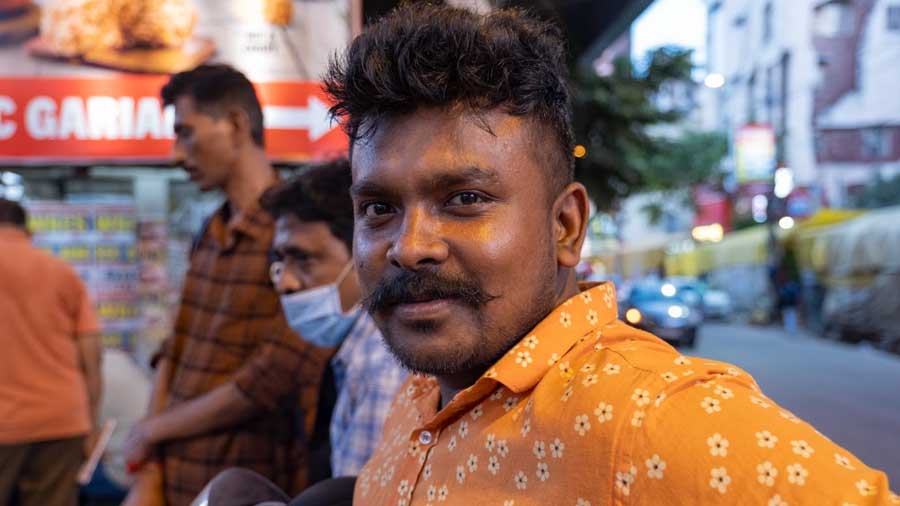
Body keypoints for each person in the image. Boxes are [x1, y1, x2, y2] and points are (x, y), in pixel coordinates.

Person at [322, 4, 898, 505]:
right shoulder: (426, 387)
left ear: (566, 226)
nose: (409, 246)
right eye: (378, 208)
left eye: (465, 199)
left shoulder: (652, 418)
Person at [122, 64, 331, 506]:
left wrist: (155, 429)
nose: (177, 154)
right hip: (177, 477)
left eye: (187, 133)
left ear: (236, 124)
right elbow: (177, 345)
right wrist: (151, 454)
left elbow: (273, 373)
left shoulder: (293, 235)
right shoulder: (210, 230)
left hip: (245, 481)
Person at [192, 160, 406, 505]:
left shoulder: (378, 366)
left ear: (361, 252)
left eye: (304, 260)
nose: (286, 282)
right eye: (281, 261)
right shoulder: (351, 354)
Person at [0, 198, 102, 506]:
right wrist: (91, 423)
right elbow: (92, 357)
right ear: (28, 231)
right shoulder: (62, 272)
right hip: (62, 419)